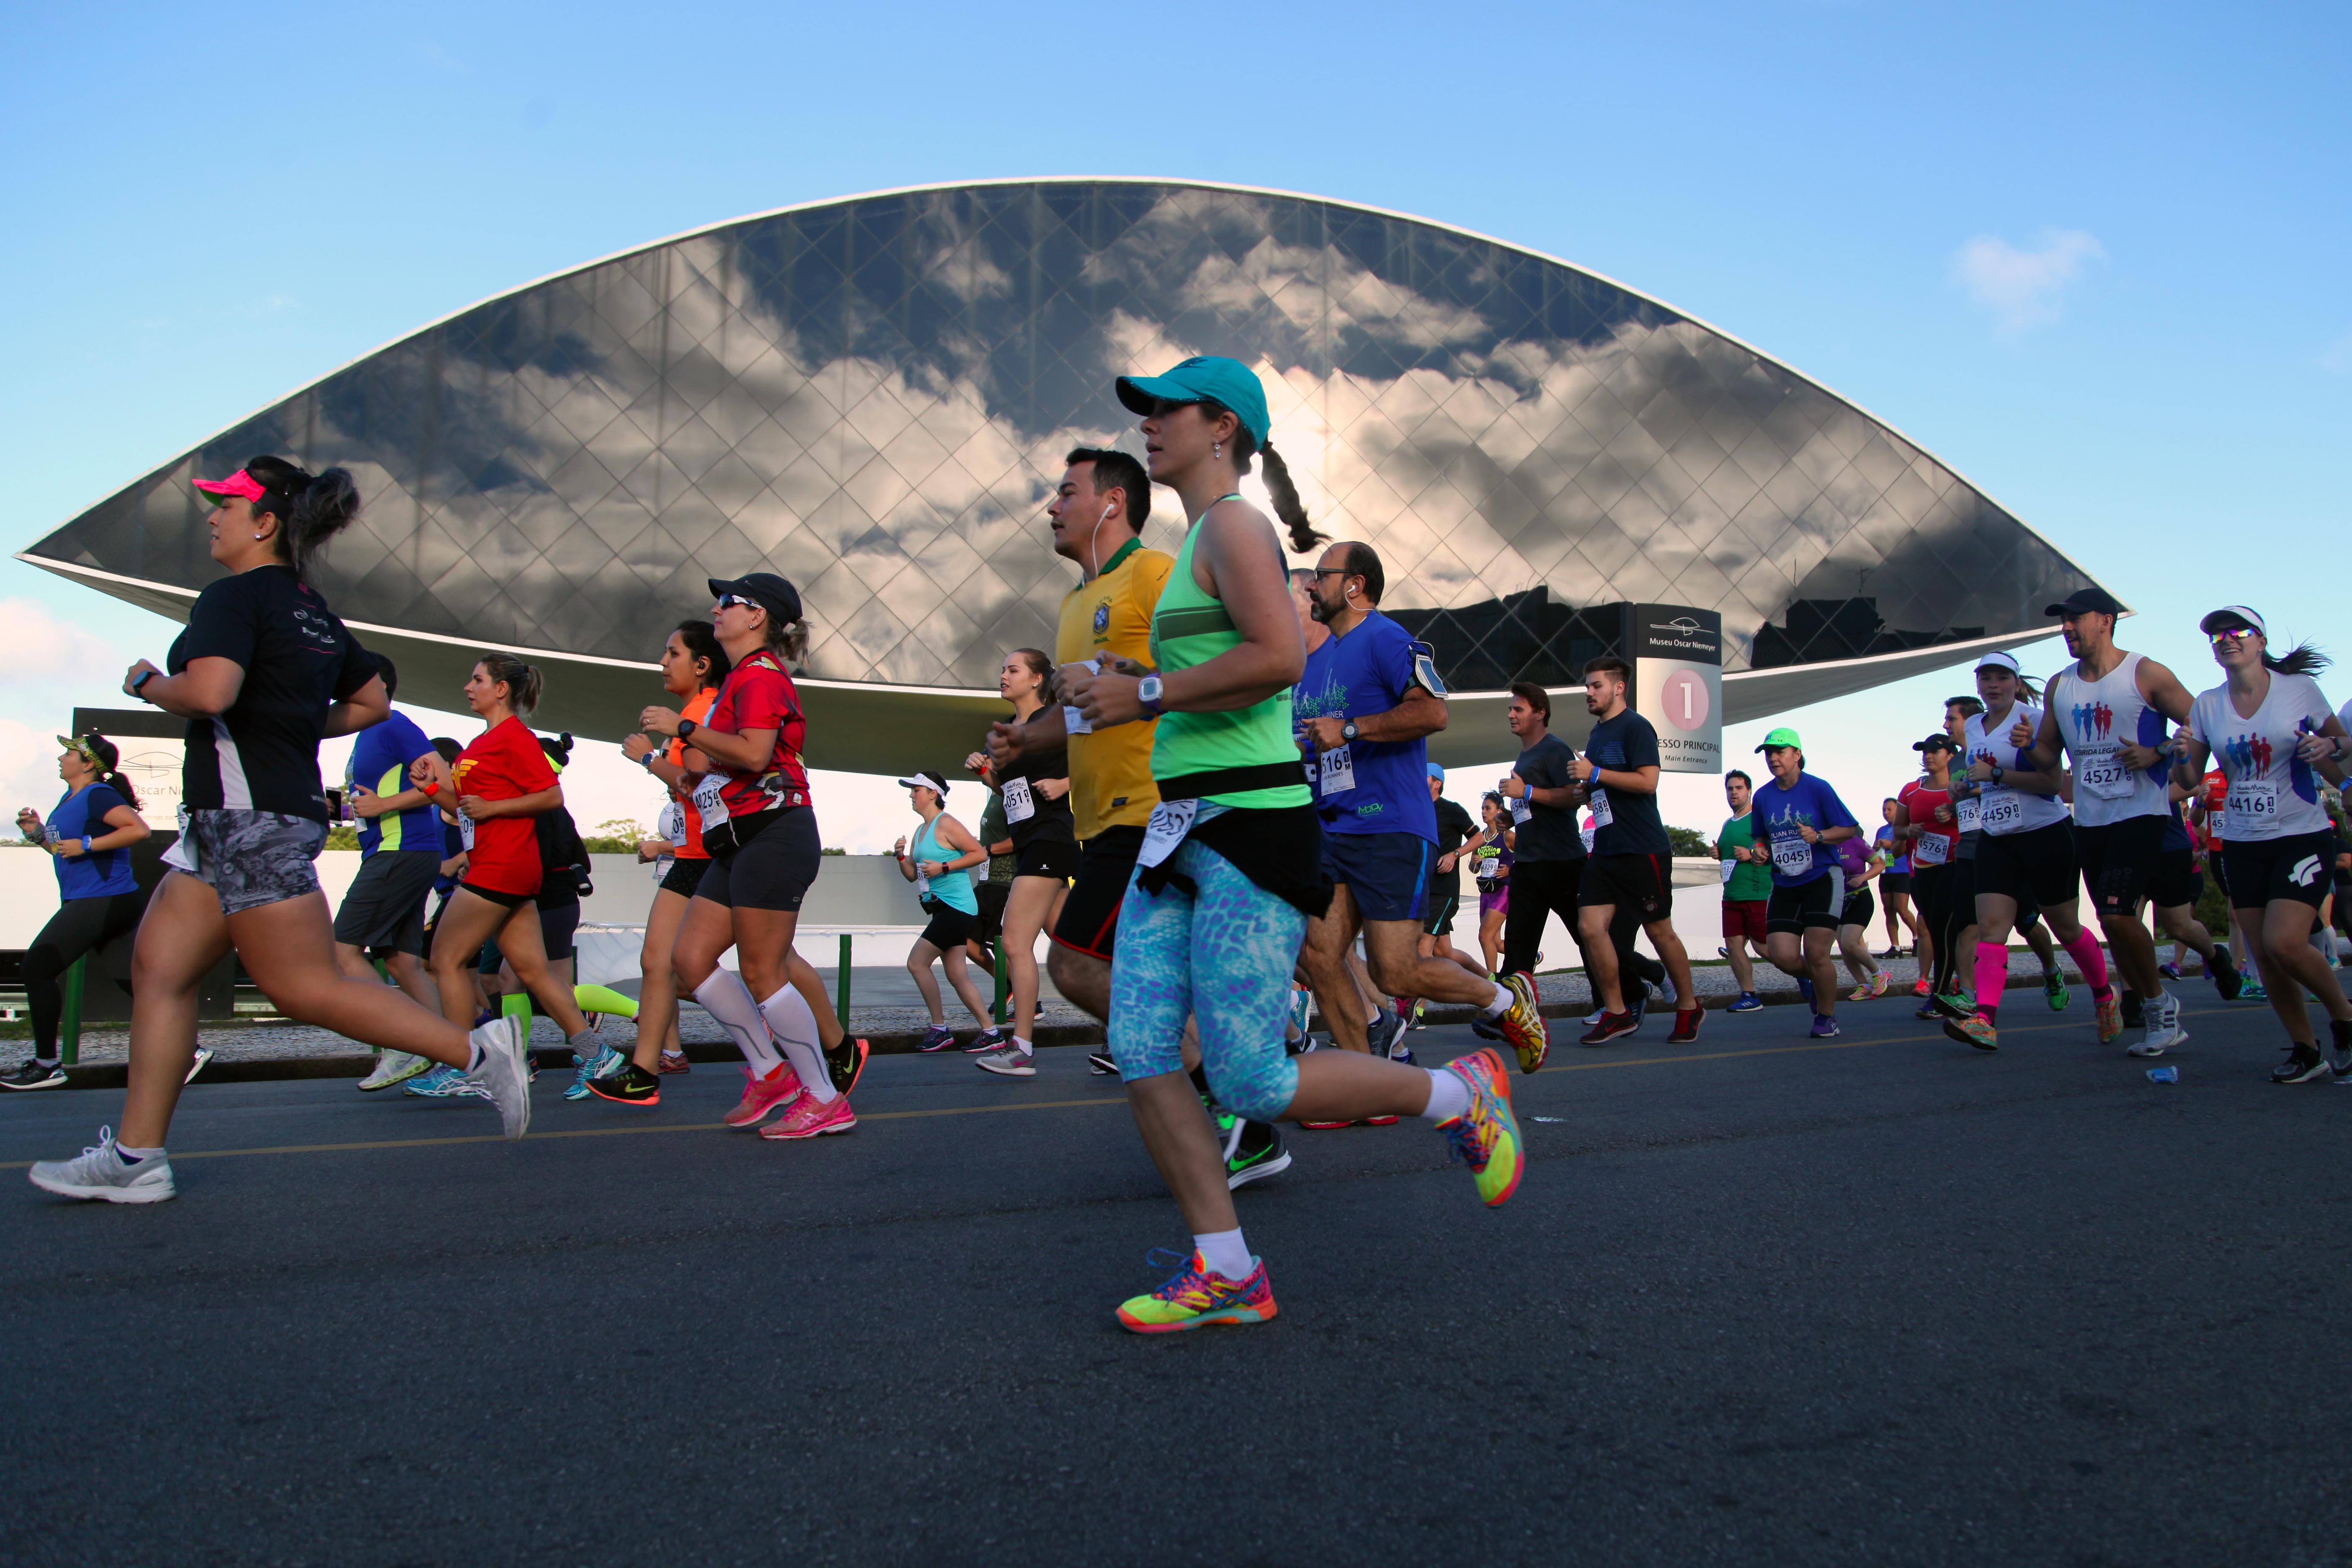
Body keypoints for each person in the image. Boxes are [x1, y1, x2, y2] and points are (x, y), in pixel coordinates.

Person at [1079, 354, 1523, 1331]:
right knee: (1143, 1042)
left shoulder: (1234, 524)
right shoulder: (1201, 535)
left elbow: (1278, 656)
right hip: (1183, 821)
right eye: (1145, 411)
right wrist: (1131, 674)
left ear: (1222, 428)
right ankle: (1227, 1266)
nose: (1148, 425)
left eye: (1167, 410)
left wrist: (1144, 689)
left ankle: (1460, 1090)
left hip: (1250, 825)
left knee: (1249, 1077)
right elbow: (1223, 665)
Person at [30, 459, 526, 1203]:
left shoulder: (231, 596)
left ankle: (477, 1050)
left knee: (303, 984)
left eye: (225, 504)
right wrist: (290, 727)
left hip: (244, 820)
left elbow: (209, 692)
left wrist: (144, 684)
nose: (212, 516)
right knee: (159, 972)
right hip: (245, 820)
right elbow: (371, 701)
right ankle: (137, 1157)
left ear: (264, 522)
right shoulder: (310, 608)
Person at [1292, 539, 1545, 1069]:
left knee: (1396, 972)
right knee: (1318, 955)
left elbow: (1433, 714)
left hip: (1389, 829)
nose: (1313, 584)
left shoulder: (1388, 639)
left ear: (1355, 585)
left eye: (1322, 574)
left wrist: (1351, 729)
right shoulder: (1316, 663)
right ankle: (1367, 1083)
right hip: (1332, 830)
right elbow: (1320, 743)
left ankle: (1505, 1001)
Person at [645, 573, 865, 1140]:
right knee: (690, 961)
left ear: (757, 617)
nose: (716, 612)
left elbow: (756, 751)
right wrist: (680, 757)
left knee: (762, 970)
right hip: (738, 838)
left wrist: (684, 728)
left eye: (727, 603)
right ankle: (771, 1073)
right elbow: (716, 768)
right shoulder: (740, 679)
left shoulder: (762, 676)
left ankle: (823, 1097)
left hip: (776, 834)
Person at [2010, 587, 2205, 1055]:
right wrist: (2026, 743)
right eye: (2063, 621)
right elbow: (2049, 760)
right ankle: (2157, 1003)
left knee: (2118, 913)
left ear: (2106, 620)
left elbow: (2202, 722)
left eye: (2075, 619)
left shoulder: (2145, 673)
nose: (2066, 628)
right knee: (2110, 920)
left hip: (2142, 812)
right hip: (2092, 819)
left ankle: (2158, 1007)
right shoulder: (2061, 685)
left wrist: (2158, 751)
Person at [2172, 606, 2352, 1082]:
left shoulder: (2298, 690)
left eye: (2237, 632)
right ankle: (2306, 1049)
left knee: (2285, 941)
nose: (2226, 640)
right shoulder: (2208, 704)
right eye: (2217, 636)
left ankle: (2346, 1021)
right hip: (2242, 841)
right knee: (2263, 954)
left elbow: (2342, 744)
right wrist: (2180, 755)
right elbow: (2190, 777)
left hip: (2302, 834)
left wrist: (2329, 748)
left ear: (2260, 641)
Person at [420, 656, 601, 1068]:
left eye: (477, 679)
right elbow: (471, 809)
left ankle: (461, 1065)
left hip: (499, 868)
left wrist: (495, 808)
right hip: (505, 870)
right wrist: (432, 788)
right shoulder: (482, 742)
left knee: (444, 961)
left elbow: (551, 796)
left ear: (501, 689)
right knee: (535, 973)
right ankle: (597, 1055)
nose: (469, 687)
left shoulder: (515, 737)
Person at [1946, 650, 2120, 1052]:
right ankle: (1985, 1020)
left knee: (2067, 928)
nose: (1993, 685)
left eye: (2001, 678)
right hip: (1996, 835)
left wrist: (1998, 774)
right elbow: (1982, 779)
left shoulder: (2037, 720)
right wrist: (1963, 789)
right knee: (1991, 928)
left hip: (2044, 832)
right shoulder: (1974, 726)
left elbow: (2052, 782)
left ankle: (2104, 996)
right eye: (1985, 678)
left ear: (2016, 683)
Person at [591, 621, 732, 1106]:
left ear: (701, 664)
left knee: (766, 967)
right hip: (692, 857)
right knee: (658, 962)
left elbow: (697, 785)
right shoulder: (694, 709)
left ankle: (814, 1047)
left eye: (672, 653)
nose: (663, 662)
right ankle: (645, 1070)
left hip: (708, 856)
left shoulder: (698, 712)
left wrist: (649, 757)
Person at [330, 660, 452, 1093]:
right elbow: (372, 799)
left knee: (341, 953)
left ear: (377, 686)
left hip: (399, 854)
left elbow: (446, 779)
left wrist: (384, 807)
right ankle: (450, 1053)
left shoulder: (394, 724)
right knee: (402, 961)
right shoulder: (365, 734)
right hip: (395, 853)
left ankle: (401, 1043)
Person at [4, 735, 153, 1091]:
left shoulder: (99, 795)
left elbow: (138, 830)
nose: (61, 757)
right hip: (90, 898)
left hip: (104, 898)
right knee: (135, 984)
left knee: (37, 967)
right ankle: (189, 1052)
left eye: (68, 753)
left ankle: (47, 1065)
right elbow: (62, 851)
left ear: (88, 764)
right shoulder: (69, 799)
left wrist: (88, 844)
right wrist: (37, 834)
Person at [1570, 655, 1701, 1046]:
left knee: (1659, 932)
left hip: (1642, 848)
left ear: (1618, 687)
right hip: (1606, 850)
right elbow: (1605, 788)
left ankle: (1690, 1006)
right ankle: (1617, 1012)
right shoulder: (1596, 734)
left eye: (1596, 685)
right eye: (1588, 686)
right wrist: (1586, 793)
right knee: (1590, 928)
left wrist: (1594, 774)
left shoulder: (1637, 727)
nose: (1589, 692)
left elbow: (1647, 782)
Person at [967, 649, 1078, 1077]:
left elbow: (1099, 760)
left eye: (1012, 669)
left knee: (1014, 943)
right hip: (1030, 843)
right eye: (1002, 669)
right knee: (1077, 948)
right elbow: (1009, 791)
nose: (1003, 676)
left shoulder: (1052, 724)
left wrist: (1066, 781)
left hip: (1052, 838)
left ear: (1036, 679)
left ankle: (1023, 1048)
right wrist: (985, 771)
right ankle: (1129, 1030)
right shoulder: (1007, 731)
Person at [1748, 727, 1861, 1038]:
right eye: (1769, 753)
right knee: (1781, 955)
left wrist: (1820, 836)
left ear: (1797, 755)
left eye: (1780, 752)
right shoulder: (1763, 795)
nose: (1773, 758)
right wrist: (1760, 851)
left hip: (1821, 877)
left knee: (1817, 952)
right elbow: (1760, 835)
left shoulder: (1818, 788)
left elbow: (1850, 829)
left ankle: (1827, 1017)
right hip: (1785, 882)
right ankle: (1815, 982)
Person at [893, 771, 994, 1050]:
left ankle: (940, 1029)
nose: (911, 795)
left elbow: (979, 853)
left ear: (933, 794)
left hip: (958, 908)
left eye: (916, 790)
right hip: (942, 909)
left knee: (917, 963)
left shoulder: (946, 823)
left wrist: (944, 867)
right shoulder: (920, 831)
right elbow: (912, 875)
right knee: (957, 975)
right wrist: (901, 855)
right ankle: (991, 1032)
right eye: (912, 790)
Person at [1892, 735, 1961, 1014]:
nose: (1928, 756)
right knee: (1933, 929)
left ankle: (1943, 992)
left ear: (1950, 755)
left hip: (1955, 864)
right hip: (1922, 868)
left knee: (1947, 929)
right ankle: (1952, 987)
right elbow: (1899, 829)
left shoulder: (1960, 788)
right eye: (1925, 752)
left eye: (1935, 751)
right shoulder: (1911, 790)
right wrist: (1910, 832)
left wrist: (1954, 811)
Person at [1418, 765, 1488, 985]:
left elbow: (1479, 838)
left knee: (1423, 951)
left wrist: (1454, 855)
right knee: (1445, 952)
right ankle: (1494, 980)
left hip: (1443, 889)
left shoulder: (1451, 809)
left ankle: (1414, 1012)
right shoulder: (1414, 810)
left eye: (1424, 774)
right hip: (1422, 889)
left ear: (1437, 783)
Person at [1715, 769, 1770, 1013]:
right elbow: (1727, 857)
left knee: (1763, 947)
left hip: (1757, 893)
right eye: (1730, 789)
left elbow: (1773, 851)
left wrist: (1751, 854)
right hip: (1732, 896)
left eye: (1739, 788)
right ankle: (1749, 995)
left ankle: (1803, 973)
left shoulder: (1759, 820)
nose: (1734, 793)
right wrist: (1719, 855)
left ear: (1749, 791)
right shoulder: (1728, 824)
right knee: (1734, 944)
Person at [1835, 834, 1888, 999]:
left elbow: (1880, 864)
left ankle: (1880, 974)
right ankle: (1863, 985)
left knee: (1849, 942)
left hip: (1859, 897)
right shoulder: (1825, 844)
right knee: (1844, 947)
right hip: (1839, 900)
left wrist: (1862, 878)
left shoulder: (1855, 842)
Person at [1873, 799, 1921, 958]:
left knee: (1901, 908)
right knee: (1889, 910)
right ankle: (1896, 947)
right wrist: (1877, 847)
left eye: (1889, 810)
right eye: (1884, 810)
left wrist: (1891, 844)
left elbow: (1911, 846)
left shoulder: (1904, 829)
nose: (1886, 813)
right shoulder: (1881, 830)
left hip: (1903, 872)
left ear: (1897, 811)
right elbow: (1875, 850)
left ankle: (1917, 938)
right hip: (1887, 873)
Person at [1472, 792, 1512, 979]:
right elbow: (1473, 868)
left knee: (1484, 936)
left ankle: (1494, 980)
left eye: (1488, 808)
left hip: (1503, 890)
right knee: (1495, 943)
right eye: (1482, 808)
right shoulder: (1480, 837)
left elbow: (1529, 854)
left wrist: (1510, 871)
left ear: (1499, 810)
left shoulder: (1508, 836)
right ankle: (1530, 955)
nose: (1484, 812)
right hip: (1486, 892)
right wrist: (1475, 863)